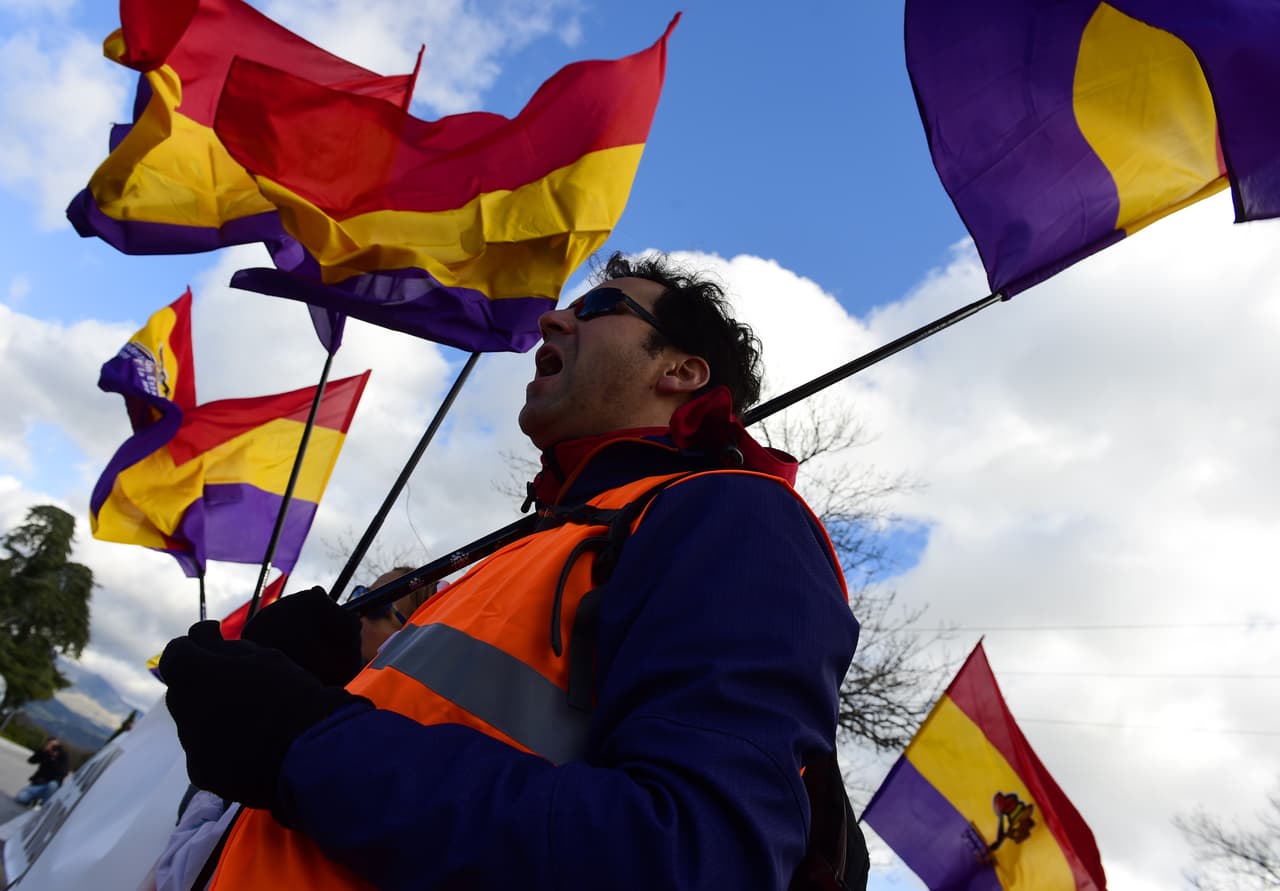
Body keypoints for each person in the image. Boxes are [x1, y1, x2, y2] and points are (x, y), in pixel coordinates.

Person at [160, 252, 864, 890]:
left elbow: (692, 858)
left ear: (679, 370)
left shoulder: (731, 515)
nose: (554, 317)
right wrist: (330, 678)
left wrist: (304, 740)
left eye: (599, 308)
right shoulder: (553, 538)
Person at [15, 736, 68, 807]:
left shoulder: (62, 756)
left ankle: (44, 805)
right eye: (51, 745)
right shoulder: (45, 753)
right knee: (20, 798)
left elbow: (63, 772)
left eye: (55, 745)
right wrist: (43, 751)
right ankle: (31, 799)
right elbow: (31, 761)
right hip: (38, 784)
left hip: (50, 787)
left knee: (53, 785)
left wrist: (54, 758)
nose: (53, 748)